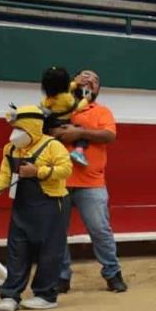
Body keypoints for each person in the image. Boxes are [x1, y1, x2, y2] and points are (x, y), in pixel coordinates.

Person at [0, 105, 72, 311]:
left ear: (33, 126)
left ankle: (45, 295)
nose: (15, 133)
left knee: (50, 252)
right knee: (17, 250)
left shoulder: (53, 146)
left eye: (20, 128)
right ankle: (10, 296)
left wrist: (37, 172)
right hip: (22, 207)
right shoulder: (11, 149)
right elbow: (4, 178)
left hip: (52, 205)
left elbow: (66, 169)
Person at [51, 70, 127, 294]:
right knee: (56, 233)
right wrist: (63, 132)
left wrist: (79, 132)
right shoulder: (59, 106)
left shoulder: (101, 111)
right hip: (58, 181)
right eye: (84, 76)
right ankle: (61, 277)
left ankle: (113, 274)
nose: (89, 80)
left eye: (94, 79)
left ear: (98, 89)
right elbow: (46, 130)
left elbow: (109, 136)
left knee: (100, 230)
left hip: (92, 182)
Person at [40, 66, 91, 166]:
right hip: (63, 125)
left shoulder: (49, 97)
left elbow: (66, 88)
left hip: (50, 126)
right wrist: (86, 100)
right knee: (82, 133)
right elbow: (76, 108)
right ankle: (78, 152)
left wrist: (76, 84)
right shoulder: (66, 97)